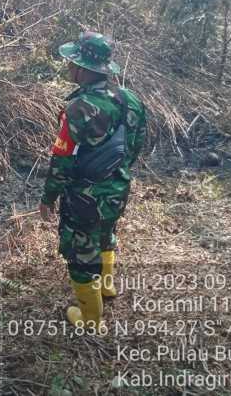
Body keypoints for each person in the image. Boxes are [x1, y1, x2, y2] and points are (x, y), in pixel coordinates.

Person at [39, 32, 147, 331]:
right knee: (106, 234)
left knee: (79, 255)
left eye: (71, 62)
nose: (68, 66)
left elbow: (61, 158)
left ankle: (90, 320)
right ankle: (107, 286)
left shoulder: (78, 108)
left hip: (83, 198)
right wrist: (117, 174)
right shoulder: (131, 100)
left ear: (83, 68)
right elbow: (136, 144)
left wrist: (48, 197)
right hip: (118, 189)